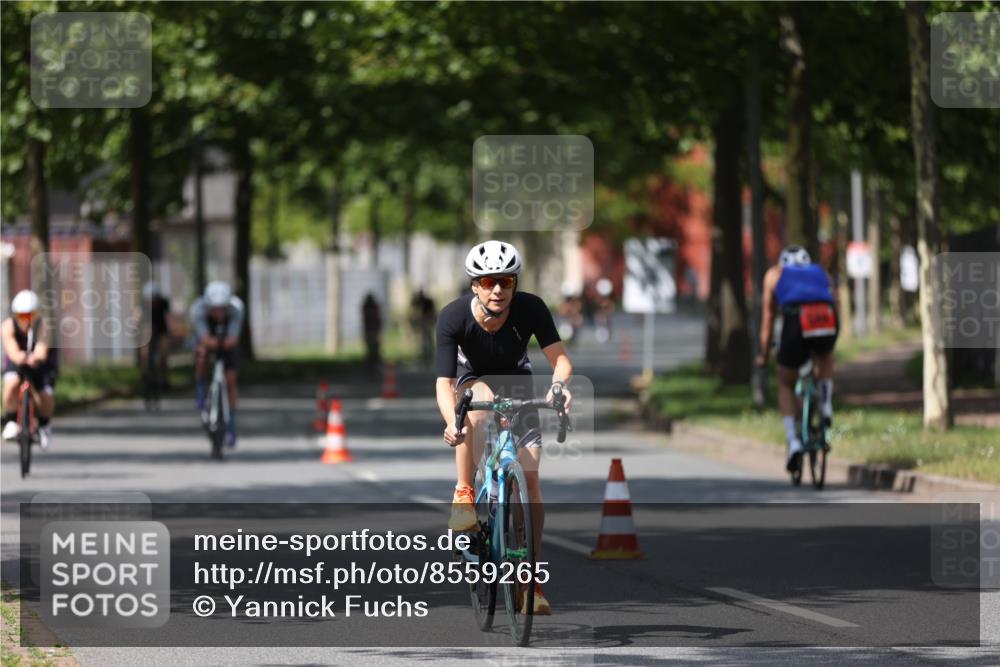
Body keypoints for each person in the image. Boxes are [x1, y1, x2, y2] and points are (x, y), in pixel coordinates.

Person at [436, 240, 573, 615]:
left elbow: (560, 360)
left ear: (515, 283)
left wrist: (559, 387)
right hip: (473, 382)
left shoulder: (531, 308)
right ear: (474, 286)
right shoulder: (453, 317)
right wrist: (453, 422)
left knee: (530, 480)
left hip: (517, 384)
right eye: (488, 281)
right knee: (476, 404)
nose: (498, 289)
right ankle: (464, 493)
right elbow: (443, 383)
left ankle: (531, 582)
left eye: (506, 281)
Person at [756, 245, 838, 474]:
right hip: (825, 315)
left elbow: (768, 318)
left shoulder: (774, 274)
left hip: (795, 319)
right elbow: (834, 301)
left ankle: (793, 441)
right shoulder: (821, 271)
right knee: (825, 357)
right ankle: (826, 403)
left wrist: (763, 353)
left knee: (786, 382)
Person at [190, 281, 244, 447]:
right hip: (208, 335)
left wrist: (226, 343)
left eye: (222, 308)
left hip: (227, 339)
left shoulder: (236, 309)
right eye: (215, 308)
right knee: (202, 355)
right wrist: (209, 344)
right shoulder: (198, 310)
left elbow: (233, 338)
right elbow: (204, 337)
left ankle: (231, 422)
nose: (218, 313)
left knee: (231, 378)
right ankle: (201, 386)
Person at [1, 290, 56, 448]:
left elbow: (42, 347)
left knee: (46, 393)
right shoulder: (7, 326)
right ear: (16, 315)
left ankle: (44, 425)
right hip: (17, 359)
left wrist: (36, 357)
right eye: (22, 316)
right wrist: (21, 357)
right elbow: (11, 348)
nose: (26, 320)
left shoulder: (44, 326)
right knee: (11, 384)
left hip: (40, 362)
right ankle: (11, 420)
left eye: (30, 316)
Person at [139, 282, 184, 390]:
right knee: (144, 349)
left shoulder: (164, 303)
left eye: (154, 299)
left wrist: (174, 328)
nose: (152, 302)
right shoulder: (143, 305)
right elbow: (137, 317)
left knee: (164, 353)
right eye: (150, 299)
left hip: (161, 330)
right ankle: (146, 372)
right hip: (148, 329)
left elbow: (169, 317)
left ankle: (164, 379)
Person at [410, 288, 436, 367]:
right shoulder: (421, 301)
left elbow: (431, 311)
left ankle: (428, 355)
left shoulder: (427, 301)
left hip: (427, 321)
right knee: (425, 340)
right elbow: (413, 305)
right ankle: (426, 355)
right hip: (424, 321)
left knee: (427, 339)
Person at [362, 293, 383, 375]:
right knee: (372, 349)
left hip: (372, 330)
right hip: (371, 330)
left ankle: (373, 365)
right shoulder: (369, 307)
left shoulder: (369, 307)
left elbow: (377, 319)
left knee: (373, 349)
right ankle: (372, 366)